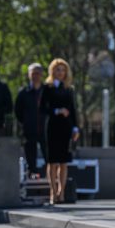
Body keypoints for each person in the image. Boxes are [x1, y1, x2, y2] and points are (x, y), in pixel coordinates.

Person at [41, 58, 80, 204]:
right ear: (52, 71)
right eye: (58, 69)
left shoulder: (69, 89)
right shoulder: (47, 88)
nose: (60, 73)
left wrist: (75, 127)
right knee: (52, 161)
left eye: (63, 70)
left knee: (64, 162)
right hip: (52, 126)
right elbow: (43, 109)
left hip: (66, 127)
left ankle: (61, 192)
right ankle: (52, 191)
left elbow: (73, 110)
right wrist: (57, 111)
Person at [14, 63, 47, 177]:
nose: (35, 76)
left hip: (45, 131)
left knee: (48, 154)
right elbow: (18, 111)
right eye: (33, 73)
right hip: (29, 130)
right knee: (30, 155)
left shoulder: (47, 91)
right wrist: (26, 122)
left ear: (42, 75)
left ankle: (50, 176)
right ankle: (32, 173)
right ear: (29, 75)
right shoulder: (23, 93)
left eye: (38, 73)